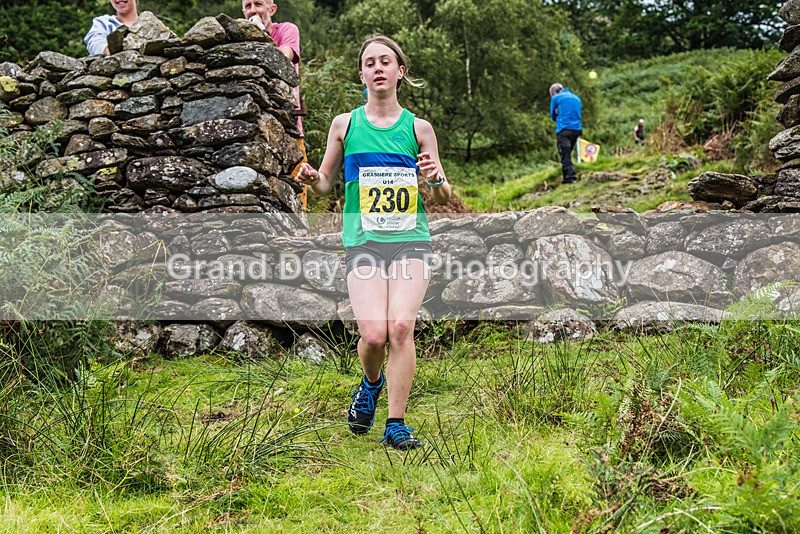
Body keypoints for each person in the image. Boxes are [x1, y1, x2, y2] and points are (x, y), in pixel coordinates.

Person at [295, 35, 451, 450]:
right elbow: (327, 183)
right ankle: (370, 382)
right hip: (362, 242)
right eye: (370, 63)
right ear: (361, 74)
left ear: (401, 71)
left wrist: (435, 177)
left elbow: (441, 195)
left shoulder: (419, 128)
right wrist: (314, 178)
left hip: (410, 241)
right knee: (374, 336)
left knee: (401, 327)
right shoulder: (345, 124)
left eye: (386, 61)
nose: (378, 68)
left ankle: (396, 424)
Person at [242, 0, 308, 206]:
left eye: (258, 4)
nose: (253, 10)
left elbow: (283, 59)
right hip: (251, 129)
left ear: (272, 9)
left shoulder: (287, 30)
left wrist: (261, 32)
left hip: (290, 128)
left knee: (297, 187)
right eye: (247, 5)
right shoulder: (239, 39)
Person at [549, 83, 582, 184]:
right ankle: (565, 176)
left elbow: (552, 116)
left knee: (564, 154)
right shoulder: (576, 97)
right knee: (566, 153)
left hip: (563, 129)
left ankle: (570, 178)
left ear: (553, 93)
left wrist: (556, 112)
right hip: (577, 129)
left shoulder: (556, 98)